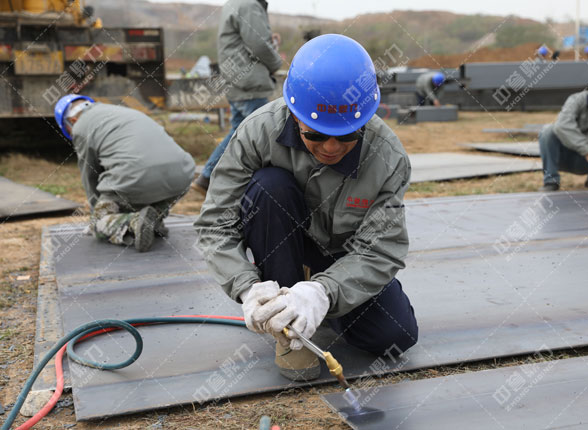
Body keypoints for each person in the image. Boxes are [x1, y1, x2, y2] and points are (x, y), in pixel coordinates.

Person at [194, 34, 418, 382]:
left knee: (395, 336)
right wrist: (246, 287)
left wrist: (323, 293)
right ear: (294, 114)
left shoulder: (387, 157)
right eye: (315, 134)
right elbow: (215, 225)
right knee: (269, 187)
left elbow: (381, 250)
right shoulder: (257, 132)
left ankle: (312, 299)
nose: (330, 148)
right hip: (283, 243)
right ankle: (286, 326)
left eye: (346, 136)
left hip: (345, 257)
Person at [54, 95, 195, 252]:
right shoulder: (119, 111)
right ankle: (154, 218)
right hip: (182, 175)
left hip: (136, 178)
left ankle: (133, 223)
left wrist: (97, 215)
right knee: (145, 191)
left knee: (100, 223)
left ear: (71, 121)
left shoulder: (80, 127)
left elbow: (90, 174)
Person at [191, 0, 283, 194]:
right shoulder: (249, 4)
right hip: (249, 81)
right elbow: (258, 44)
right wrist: (276, 63)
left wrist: (270, 42)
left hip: (238, 79)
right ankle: (262, 189)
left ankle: (207, 177)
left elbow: (250, 42)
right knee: (263, 133)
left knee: (239, 131)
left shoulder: (237, 3)